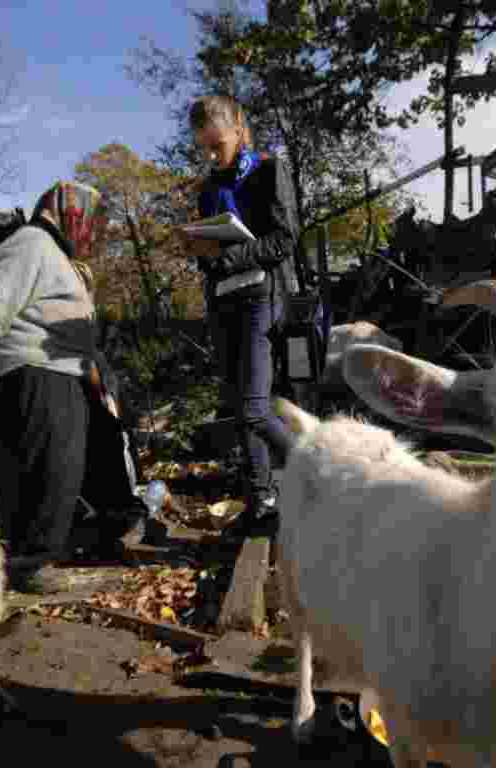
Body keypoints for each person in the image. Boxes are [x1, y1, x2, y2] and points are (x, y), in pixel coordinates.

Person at [0, 180, 114, 592]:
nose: (92, 231)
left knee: (84, 459)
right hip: (33, 373)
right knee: (50, 466)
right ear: (70, 214)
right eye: (88, 220)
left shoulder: (58, 256)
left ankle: (84, 534)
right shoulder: (31, 245)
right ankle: (27, 561)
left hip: (61, 372)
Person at [187, 94, 299, 537]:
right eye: (205, 148)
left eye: (217, 144)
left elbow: (284, 240)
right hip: (224, 303)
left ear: (237, 127)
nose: (213, 154)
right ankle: (263, 499)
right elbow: (209, 255)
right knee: (240, 409)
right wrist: (200, 250)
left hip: (261, 298)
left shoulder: (269, 170)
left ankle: (323, 477)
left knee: (256, 409)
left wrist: (228, 256)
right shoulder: (207, 188)